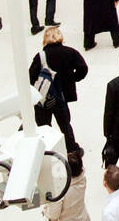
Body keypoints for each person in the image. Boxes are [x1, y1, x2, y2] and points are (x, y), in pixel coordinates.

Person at [28, 26, 88, 154]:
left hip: (43, 98)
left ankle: (48, 151)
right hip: (61, 96)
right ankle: (72, 150)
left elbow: (30, 77)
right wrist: (73, 78)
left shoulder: (40, 56)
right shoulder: (70, 52)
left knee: (43, 127)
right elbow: (83, 68)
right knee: (65, 125)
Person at [44, 149, 90, 221]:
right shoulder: (82, 179)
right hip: (83, 219)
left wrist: (46, 211)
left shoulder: (60, 191)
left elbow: (53, 215)